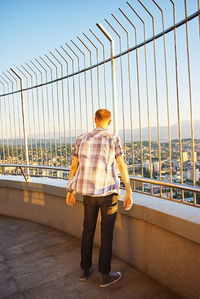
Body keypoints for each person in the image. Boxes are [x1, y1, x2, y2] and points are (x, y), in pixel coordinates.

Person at [66, 109, 133, 288]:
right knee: (106, 234)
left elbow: (74, 166)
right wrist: (128, 191)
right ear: (109, 122)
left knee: (87, 231)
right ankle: (105, 275)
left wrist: (70, 190)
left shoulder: (81, 138)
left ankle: (84, 270)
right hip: (108, 193)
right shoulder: (113, 138)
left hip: (88, 193)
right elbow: (121, 165)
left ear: (94, 120)